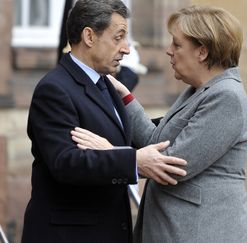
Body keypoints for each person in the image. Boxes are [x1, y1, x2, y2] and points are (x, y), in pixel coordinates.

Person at [71, 5, 247, 243]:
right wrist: (125, 95)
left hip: (200, 233)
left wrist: (109, 153)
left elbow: (171, 166)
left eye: (177, 45)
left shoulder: (226, 97)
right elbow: (156, 143)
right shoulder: (198, 90)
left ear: (202, 52)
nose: (169, 51)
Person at [21, 1, 187, 243]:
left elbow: (121, 133)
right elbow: (65, 163)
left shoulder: (105, 82)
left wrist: (191, 117)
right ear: (89, 36)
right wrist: (133, 161)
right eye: (118, 37)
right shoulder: (54, 89)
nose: (127, 49)